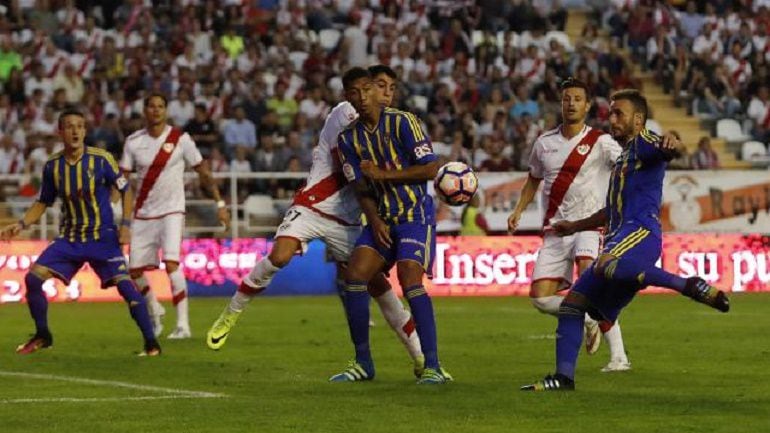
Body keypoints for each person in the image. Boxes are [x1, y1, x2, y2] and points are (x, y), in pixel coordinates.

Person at [206, 66, 425, 378]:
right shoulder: (344, 115)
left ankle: (419, 356)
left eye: (375, 89)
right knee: (280, 255)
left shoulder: (392, 125)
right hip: (313, 206)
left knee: (378, 285)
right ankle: (232, 312)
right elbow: (360, 167)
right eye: (362, 90)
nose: (367, 96)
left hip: (347, 219)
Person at [521, 89, 730, 392]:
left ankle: (689, 285)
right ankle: (563, 378)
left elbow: (669, 149)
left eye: (619, 113)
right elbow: (610, 210)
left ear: (638, 120)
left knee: (605, 264)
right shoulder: (622, 159)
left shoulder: (643, 143)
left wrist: (673, 142)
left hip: (641, 234)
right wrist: (574, 225)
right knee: (572, 305)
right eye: (611, 113)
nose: (612, 118)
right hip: (619, 238)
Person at [1, 109, 160, 356]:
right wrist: (21, 224)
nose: (75, 131)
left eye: (80, 126)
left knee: (126, 287)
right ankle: (43, 334)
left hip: (103, 237)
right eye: (69, 126)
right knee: (33, 279)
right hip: (71, 238)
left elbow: (126, 190)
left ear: (85, 131)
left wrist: (126, 227)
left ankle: (151, 343)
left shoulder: (101, 159)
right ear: (60, 131)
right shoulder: (53, 166)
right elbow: (43, 201)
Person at [331, 67, 449, 384]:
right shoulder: (348, 139)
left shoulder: (403, 122)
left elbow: (430, 169)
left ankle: (433, 365)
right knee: (353, 275)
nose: (363, 97)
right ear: (348, 98)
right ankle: (363, 363)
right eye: (354, 92)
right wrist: (374, 217)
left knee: (410, 279)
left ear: (374, 90)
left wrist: (384, 175)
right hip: (381, 218)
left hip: (414, 216)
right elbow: (360, 188)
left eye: (367, 89)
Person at [507, 77, 631, 372]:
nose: (571, 103)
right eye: (566, 98)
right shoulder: (544, 143)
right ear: (560, 104)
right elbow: (533, 180)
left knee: (590, 280)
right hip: (555, 230)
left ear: (587, 106)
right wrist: (518, 210)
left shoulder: (600, 142)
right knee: (540, 299)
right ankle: (587, 318)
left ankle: (619, 357)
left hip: (588, 226)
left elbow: (626, 165)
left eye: (577, 99)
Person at [120, 93, 229, 340]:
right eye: (152, 106)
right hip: (143, 213)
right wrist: (122, 219)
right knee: (134, 270)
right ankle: (154, 308)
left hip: (172, 211)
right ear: (144, 111)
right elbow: (123, 183)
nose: (156, 111)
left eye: (161, 107)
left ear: (166, 111)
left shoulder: (181, 139)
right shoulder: (133, 142)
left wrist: (220, 203)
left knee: (171, 264)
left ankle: (183, 325)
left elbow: (203, 172)